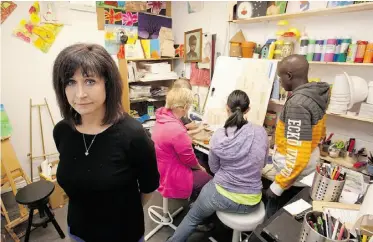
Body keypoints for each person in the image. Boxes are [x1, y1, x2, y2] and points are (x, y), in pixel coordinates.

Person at [52, 43, 160, 242]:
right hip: (78, 232)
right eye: (70, 82)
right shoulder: (62, 131)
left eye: (90, 81)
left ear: (108, 84)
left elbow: (148, 187)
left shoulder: (133, 135)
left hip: (123, 234)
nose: (80, 94)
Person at [167, 90, 268, 242]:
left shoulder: (219, 136)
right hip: (252, 201)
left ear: (227, 108)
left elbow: (214, 169)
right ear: (248, 109)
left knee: (193, 216)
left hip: (222, 197)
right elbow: (264, 163)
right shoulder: (261, 132)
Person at [265, 54, 329, 217]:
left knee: (272, 222)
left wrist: (277, 186)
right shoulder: (313, 95)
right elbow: (321, 134)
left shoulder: (298, 104)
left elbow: (297, 158)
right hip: (306, 167)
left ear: (289, 76)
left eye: (280, 78)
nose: (280, 82)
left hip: (291, 179)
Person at [151, 87, 212, 201]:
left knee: (201, 163)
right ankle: (196, 209)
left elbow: (177, 136)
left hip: (161, 168)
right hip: (172, 175)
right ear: (184, 107)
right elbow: (189, 160)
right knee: (208, 177)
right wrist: (200, 168)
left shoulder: (162, 118)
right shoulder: (176, 130)